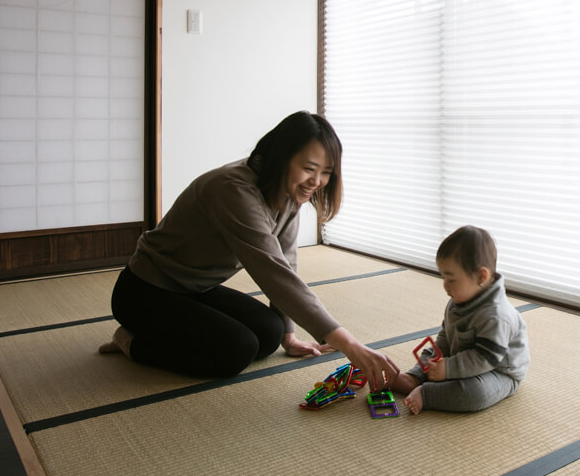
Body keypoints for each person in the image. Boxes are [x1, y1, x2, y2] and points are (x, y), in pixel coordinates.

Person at [98, 110, 399, 390]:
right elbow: (272, 273)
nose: (317, 182)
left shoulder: (288, 193)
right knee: (235, 351)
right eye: (309, 168)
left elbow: (286, 263)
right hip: (144, 291)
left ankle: (168, 331)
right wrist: (350, 345)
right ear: (282, 158)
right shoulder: (234, 190)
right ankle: (131, 342)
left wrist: (289, 337)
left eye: (326, 172)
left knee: (270, 332)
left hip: (194, 288)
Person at [391, 225, 529, 414]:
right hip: (462, 355)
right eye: (443, 278)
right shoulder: (457, 300)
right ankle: (414, 378)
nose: (445, 286)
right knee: (433, 351)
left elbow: (484, 359)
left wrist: (447, 369)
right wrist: (439, 361)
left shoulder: (497, 316)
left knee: (476, 393)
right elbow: (446, 335)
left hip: (497, 371)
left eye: (451, 280)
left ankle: (428, 394)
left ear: (481, 276)